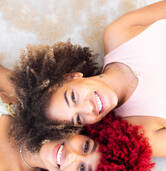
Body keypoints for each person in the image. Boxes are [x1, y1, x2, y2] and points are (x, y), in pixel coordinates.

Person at [10, 1, 166, 157]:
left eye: (73, 97)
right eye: (78, 119)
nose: (88, 108)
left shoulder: (119, 34)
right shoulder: (142, 133)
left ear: (73, 76)